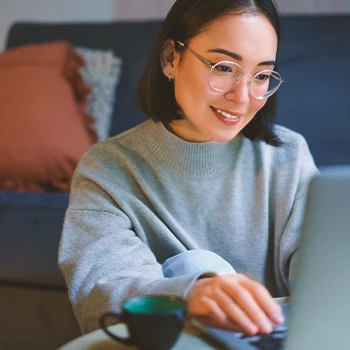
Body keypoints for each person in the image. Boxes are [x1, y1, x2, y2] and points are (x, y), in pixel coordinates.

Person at [58, 0, 318, 336]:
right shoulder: (107, 170)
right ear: (171, 59)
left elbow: (324, 272)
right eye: (223, 67)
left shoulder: (289, 157)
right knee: (197, 266)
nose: (242, 97)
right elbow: (101, 291)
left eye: (262, 75)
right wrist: (191, 293)